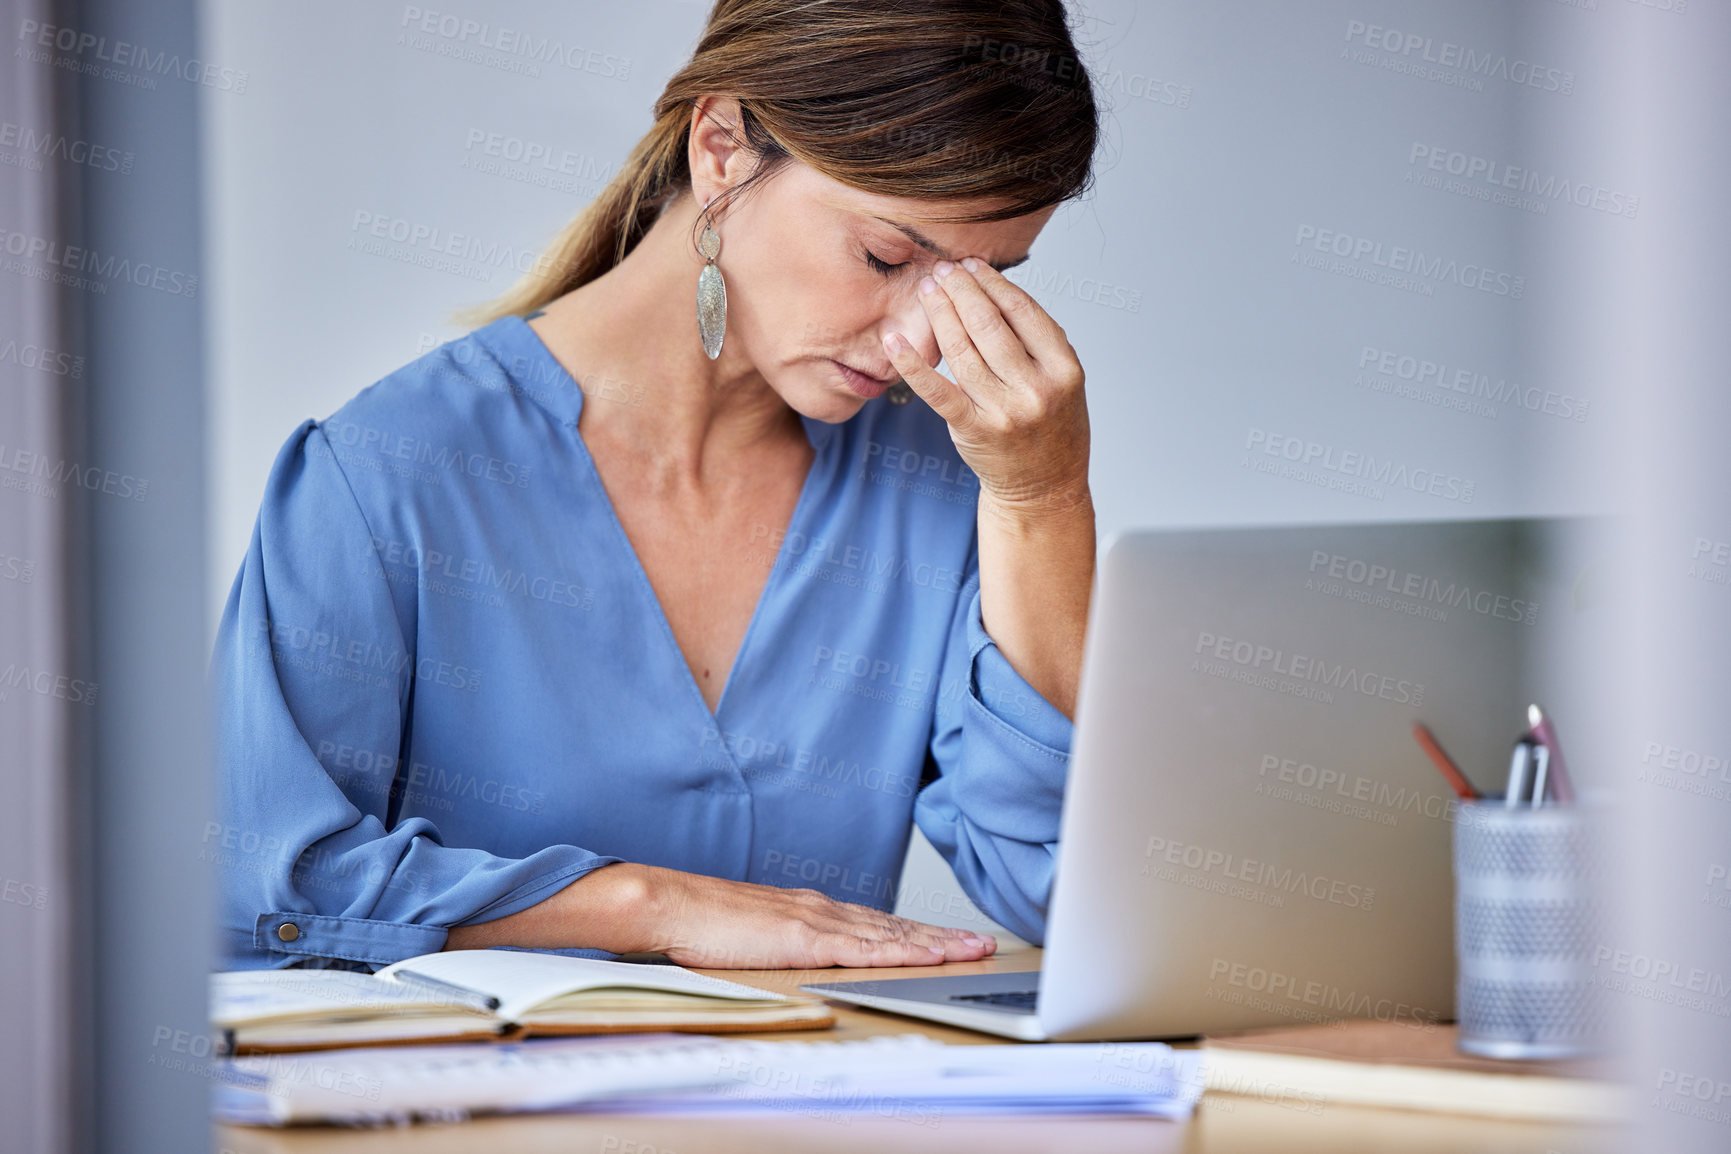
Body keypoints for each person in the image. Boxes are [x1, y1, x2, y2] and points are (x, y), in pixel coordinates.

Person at [210, 0, 1101, 971]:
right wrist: (648, 904)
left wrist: (1040, 498)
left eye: (985, 279)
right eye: (888, 255)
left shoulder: (936, 480)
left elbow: (1058, 887)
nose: (920, 337)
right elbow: (266, 896)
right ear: (719, 146)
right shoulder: (384, 479)